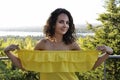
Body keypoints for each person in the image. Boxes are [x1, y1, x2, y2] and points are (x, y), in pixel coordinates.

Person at [4, 8, 113, 80]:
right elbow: (25, 65)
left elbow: (91, 65)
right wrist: (8, 52)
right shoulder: (42, 44)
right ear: (52, 24)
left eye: (67, 22)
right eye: (61, 22)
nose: (65, 25)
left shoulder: (72, 45)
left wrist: (108, 53)